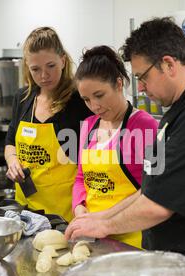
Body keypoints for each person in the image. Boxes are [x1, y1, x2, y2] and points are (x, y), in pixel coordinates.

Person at [65, 17, 185, 276]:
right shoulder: (177, 113)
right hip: (179, 262)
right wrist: (99, 218)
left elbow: (158, 205)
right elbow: (149, 190)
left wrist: (104, 224)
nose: (140, 87)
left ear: (168, 64)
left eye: (143, 77)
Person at [71, 46, 158, 249]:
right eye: (86, 99)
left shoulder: (146, 126)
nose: (94, 106)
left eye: (99, 95)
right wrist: (79, 208)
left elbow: (154, 190)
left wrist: (106, 221)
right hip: (93, 238)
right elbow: (81, 178)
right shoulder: (88, 126)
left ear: (119, 84)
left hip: (134, 241)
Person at [4, 27, 93, 223]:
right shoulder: (23, 98)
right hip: (26, 210)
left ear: (62, 60)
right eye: (35, 69)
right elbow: (10, 141)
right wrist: (12, 161)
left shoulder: (79, 101)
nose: (44, 75)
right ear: (27, 66)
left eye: (51, 65)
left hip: (66, 214)